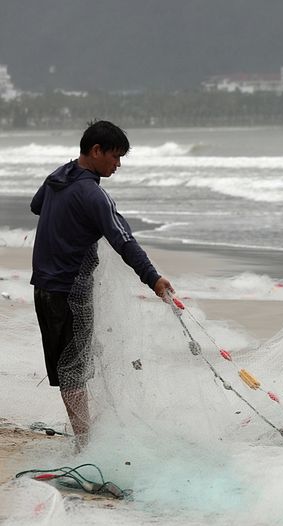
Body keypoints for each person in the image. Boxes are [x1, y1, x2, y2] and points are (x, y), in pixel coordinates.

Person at [30, 120, 173, 449]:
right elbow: (124, 241)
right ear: (96, 151)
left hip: (43, 287)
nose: (118, 164)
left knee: (66, 366)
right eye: (115, 156)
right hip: (71, 290)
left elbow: (37, 206)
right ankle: (85, 444)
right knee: (74, 369)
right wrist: (153, 278)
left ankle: (83, 436)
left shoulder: (57, 177)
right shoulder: (93, 194)